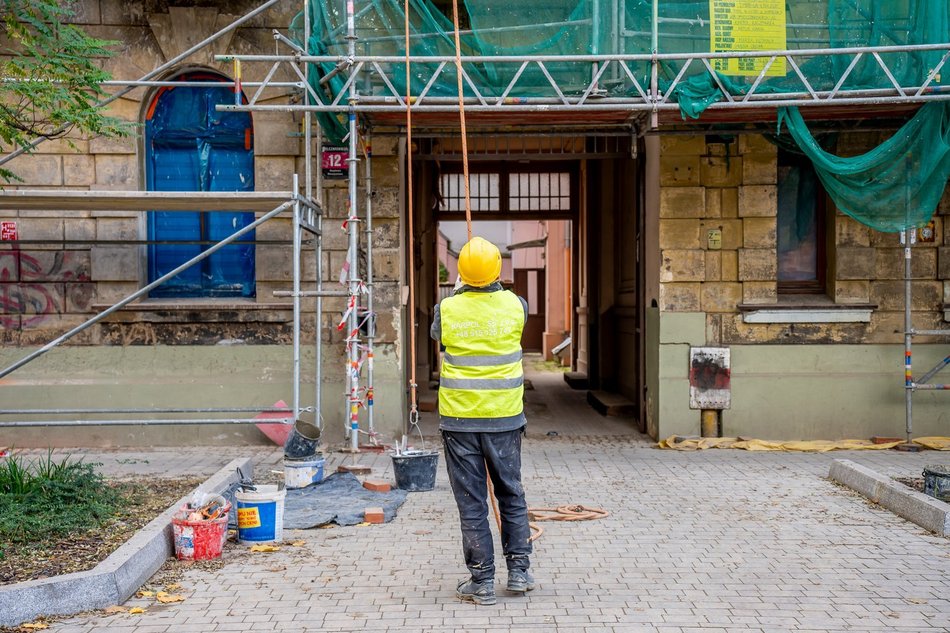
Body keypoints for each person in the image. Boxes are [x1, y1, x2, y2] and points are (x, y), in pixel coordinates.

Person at [430, 236, 534, 606]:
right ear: (498, 269)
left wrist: (460, 295)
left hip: (460, 420)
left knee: (472, 501)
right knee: (511, 492)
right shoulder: (517, 305)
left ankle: (483, 581)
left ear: (460, 272)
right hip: (505, 417)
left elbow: (439, 338)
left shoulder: (447, 309)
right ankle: (519, 572)